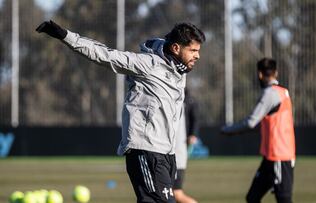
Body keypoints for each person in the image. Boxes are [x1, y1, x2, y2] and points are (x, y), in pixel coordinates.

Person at [36, 20, 205, 203]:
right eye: (193, 50)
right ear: (175, 48)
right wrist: (65, 35)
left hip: (166, 155)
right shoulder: (147, 65)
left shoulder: (180, 72)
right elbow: (104, 55)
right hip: (146, 150)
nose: (198, 56)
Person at [221, 58, 296, 203]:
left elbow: (251, 122)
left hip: (279, 156)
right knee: (253, 197)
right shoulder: (283, 92)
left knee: (284, 199)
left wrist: (228, 130)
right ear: (276, 73)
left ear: (260, 74)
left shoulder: (270, 93)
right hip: (271, 157)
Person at [174, 89, 198, 203]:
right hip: (174, 156)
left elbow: (195, 119)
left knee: (176, 194)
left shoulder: (183, 102)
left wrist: (192, 134)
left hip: (177, 157)